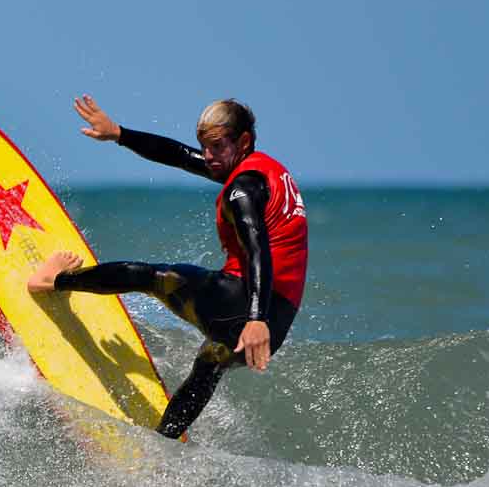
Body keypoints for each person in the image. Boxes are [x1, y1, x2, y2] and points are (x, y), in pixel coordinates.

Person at [26, 95, 308, 438]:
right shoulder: (263, 172)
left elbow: (257, 250)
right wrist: (118, 133)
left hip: (248, 309)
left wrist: (254, 320)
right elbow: (180, 156)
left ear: (243, 141)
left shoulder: (242, 189)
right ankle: (165, 443)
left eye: (216, 146)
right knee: (209, 364)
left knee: (154, 277)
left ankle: (53, 281)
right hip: (277, 322)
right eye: (204, 146)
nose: (207, 156)